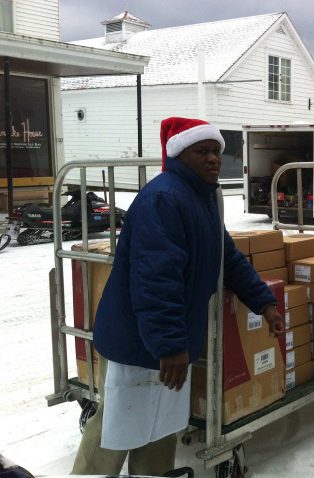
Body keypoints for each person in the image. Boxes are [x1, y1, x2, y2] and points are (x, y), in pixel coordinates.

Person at [71, 117, 285, 475]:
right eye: (203, 151)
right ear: (178, 155)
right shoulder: (163, 199)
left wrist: (264, 303)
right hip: (139, 341)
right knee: (116, 429)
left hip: (167, 342)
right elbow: (157, 278)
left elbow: (227, 257)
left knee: (160, 427)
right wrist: (169, 345)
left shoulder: (199, 199)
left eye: (217, 151)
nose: (214, 159)